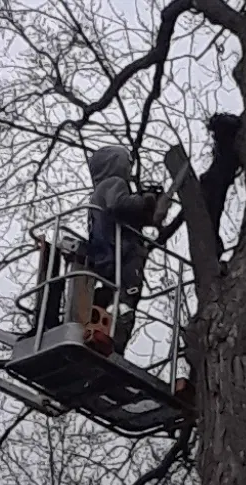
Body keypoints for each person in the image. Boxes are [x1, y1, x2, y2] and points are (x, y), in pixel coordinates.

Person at [84, 146, 162, 355]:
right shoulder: (114, 184)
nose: (129, 169)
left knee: (110, 294)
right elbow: (118, 205)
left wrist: (148, 208)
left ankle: (94, 319)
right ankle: (117, 342)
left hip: (106, 254)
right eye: (127, 164)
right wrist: (143, 199)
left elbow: (125, 216)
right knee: (128, 297)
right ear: (115, 164)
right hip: (124, 253)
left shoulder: (97, 193)